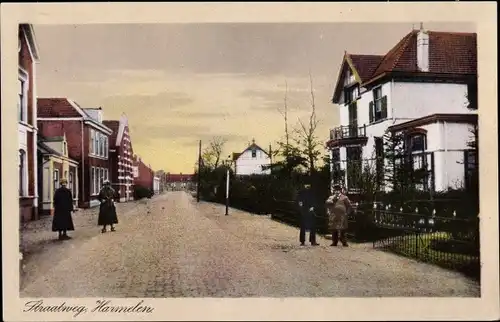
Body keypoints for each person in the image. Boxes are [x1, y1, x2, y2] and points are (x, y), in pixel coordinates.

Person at [296, 179, 319, 246]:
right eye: (306, 184)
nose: (307, 186)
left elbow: (315, 200)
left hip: (311, 211)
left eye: (308, 185)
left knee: (313, 226)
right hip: (303, 210)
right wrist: (300, 205)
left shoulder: (312, 192)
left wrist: (313, 207)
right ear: (304, 185)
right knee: (303, 226)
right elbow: (298, 200)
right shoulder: (301, 192)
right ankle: (302, 241)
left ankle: (313, 241)